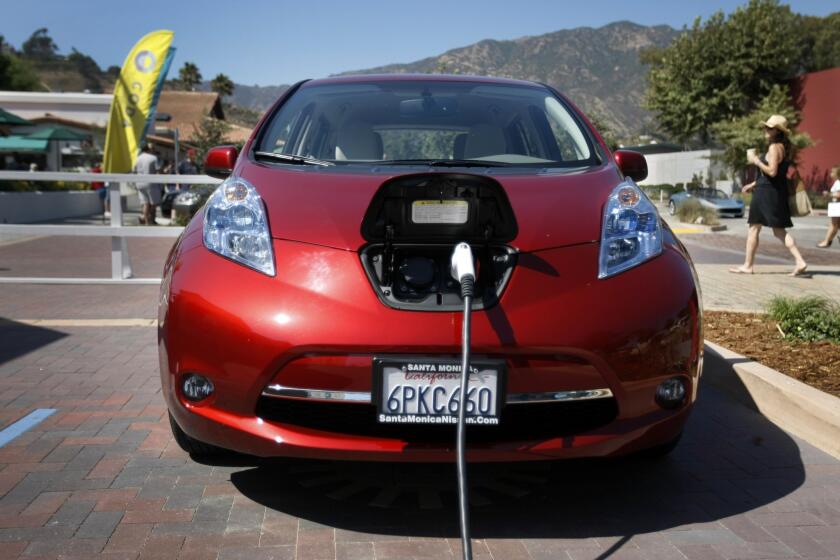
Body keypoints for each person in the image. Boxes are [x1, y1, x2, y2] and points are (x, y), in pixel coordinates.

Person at [730, 115, 807, 277]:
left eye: (770, 127)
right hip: (773, 192)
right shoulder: (782, 148)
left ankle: (748, 266)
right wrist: (753, 184)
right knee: (778, 231)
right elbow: (774, 176)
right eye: (766, 127)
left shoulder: (774, 148)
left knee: (754, 229)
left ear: (777, 131)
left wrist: (757, 161)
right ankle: (800, 261)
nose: (766, 129)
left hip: (766, 194)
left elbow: (772, 172)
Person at [133, 143, 161, 225]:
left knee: (145, 203)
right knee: (154, 203)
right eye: (152, 148)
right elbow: (158, 170)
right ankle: (149, 218)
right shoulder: (153, 158)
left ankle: (146, 220)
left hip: (139, 183)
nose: (153, 150)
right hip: (150, 183)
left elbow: (134, 170)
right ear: (149, 149)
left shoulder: (137, 158)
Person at [817, 166, 840, 248]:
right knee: (837, 225)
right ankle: (827, 240)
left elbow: (838, 195)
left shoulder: (838, 183)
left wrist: (828, 194)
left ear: (837, 174)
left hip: (837, 206)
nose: (830, 174)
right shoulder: (837, 182)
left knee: (833, 225)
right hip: (836, 205)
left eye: (832, 172)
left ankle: (826, 241)